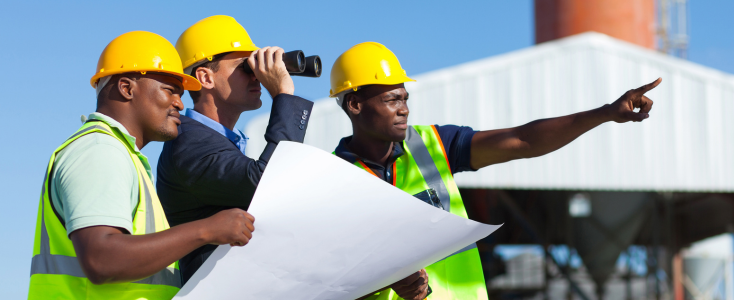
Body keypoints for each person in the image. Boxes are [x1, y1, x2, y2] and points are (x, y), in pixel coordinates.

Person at [331, 42, 661, 300]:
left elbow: (522, 140)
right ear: (356, 105)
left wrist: (604, 113)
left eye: (405, 97)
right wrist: (383, 283)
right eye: (391, 99)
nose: (404, 108)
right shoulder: (331, 178)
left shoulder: (433, 144)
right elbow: (328, 278)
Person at [28, 31, 256, 300]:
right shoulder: (100, 150)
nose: (179, 103)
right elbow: (102, 260)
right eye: (170, 90)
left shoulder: (122, 156)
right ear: (127, 88)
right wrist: (207, 229)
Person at [156, 15, 314, 284]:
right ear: (205, 77)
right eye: (246, 66)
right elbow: (265, 181)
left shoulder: (218, 142)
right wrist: (283, 96)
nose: (258, 75)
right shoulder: (188, 141)